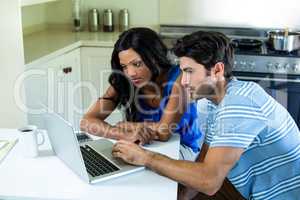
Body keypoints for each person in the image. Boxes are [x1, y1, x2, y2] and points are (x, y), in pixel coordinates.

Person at [111, 31, 300, 200]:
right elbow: (203, 160)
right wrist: (183, 197)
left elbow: (209, 181)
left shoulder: (240, 102)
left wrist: (145, 157)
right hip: (247, 190)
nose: (183, 82)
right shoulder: (209, 103)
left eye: (189, 72)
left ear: (217, 70)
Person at [80, 27, 202, 160]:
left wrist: (128, 126)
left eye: (137, 64)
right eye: (124, 66)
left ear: (154, 57)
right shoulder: (124, 80)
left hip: (182, 149)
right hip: (144, 145)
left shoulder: (180, 79)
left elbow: (164, 132)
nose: (130, 73)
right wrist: (123, 134)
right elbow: (86, 122)